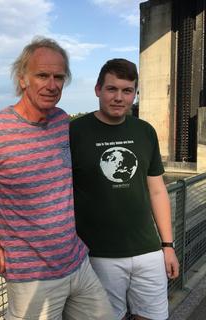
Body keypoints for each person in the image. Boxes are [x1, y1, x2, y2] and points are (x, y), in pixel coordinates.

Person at [0, 37, 114, 320]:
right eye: (42, 75)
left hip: (77, 263)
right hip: (32, 278)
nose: (52, 84)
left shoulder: (61, 120)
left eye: (59, 77)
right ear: (23, 79)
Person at [70, 58, 180, 320]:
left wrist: (167, 245)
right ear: (98, 89)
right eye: (112, 89)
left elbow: (157, 191)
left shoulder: (145, 131)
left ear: (135, 93)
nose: (119, 97)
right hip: (98, 256)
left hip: (149, 251)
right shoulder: (74, 132)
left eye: (127, 90)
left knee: (153, 316)